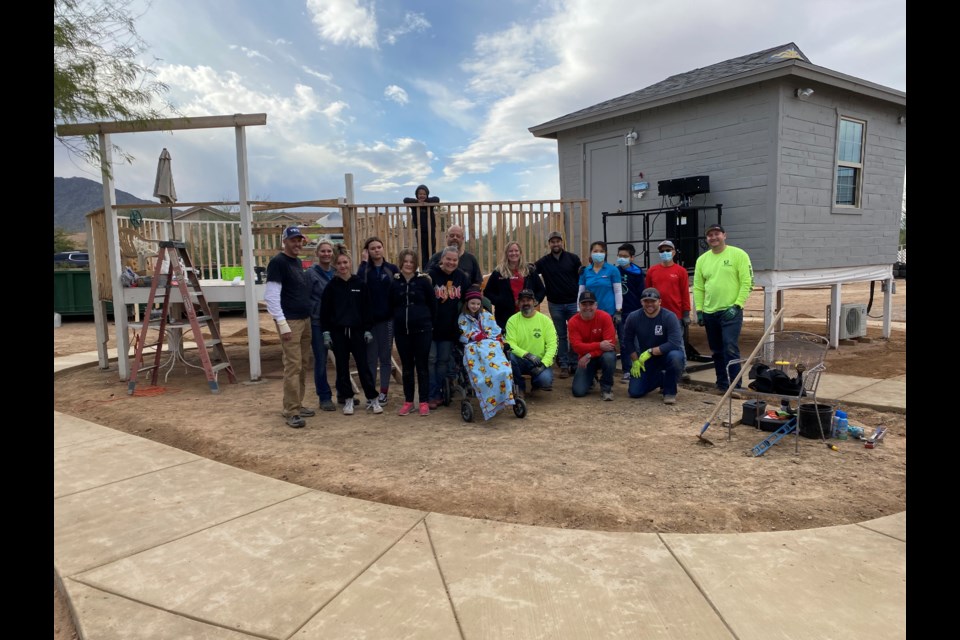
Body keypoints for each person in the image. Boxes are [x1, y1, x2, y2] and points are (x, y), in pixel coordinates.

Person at [320, 246, 383, 416]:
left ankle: (372, 398)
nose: (342, 266)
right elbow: (324, 312)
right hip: (338, 333)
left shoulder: (359, 284)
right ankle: (347, 399)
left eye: (345, 262)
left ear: (350, 263)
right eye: (339, 263)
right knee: (342, 368)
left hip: (357, 332)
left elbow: (367, 309)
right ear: (335, 265)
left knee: (364, 366)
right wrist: (326, 332)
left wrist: (368, 329)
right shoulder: (331, 286)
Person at [693, 224, 754, 392]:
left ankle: (735, 386)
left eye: (716, 234)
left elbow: (747, 282)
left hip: (730, 312)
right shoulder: (702, 260)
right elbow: (698, 287)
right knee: (716, 350)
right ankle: (721, 384)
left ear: (724, 235)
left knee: (730, 346)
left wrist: (738, 305)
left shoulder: (738, 255)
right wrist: (699, 310)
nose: (713, 237)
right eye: (710, 235)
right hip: (710, 313)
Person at [265, 226, 314, 428]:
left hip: (304, 319)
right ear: (285, 241)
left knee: (302, 364)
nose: (297, 244)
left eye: (299, 240)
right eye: (293, 240)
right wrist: (282, 324)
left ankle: (297, 403)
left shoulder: (297, 262)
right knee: (293, 366)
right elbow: (271, 296)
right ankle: (291, 410)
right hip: (291, 322)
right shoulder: (278, 263)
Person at [389, 249, 436, 416]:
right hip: (402, 331)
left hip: (422, 330)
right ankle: (408, 401)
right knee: (407, 367)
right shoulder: (394, 283)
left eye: (411, 262)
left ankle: (423, 401)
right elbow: (391, 305)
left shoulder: (424, 282)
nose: (408, 264)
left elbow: (433, 305)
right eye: (405, 261)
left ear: (416, 264)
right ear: (401, 262)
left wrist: (430, 324)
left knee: (422, 367)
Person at [458, 286, 516, 420]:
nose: (475, 306)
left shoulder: (487, 315)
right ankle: (487, 389)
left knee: (503, 369)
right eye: (472, 303)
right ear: (467, 303)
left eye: (478, 303)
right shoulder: (463, 317)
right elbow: (462, 333)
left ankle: (502, 381)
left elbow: (496, 330)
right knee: (481, 367)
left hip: (490, 344)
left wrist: (492, 336)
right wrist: (473, 336)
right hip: (473, 346)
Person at [426, 245, 472, 408]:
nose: (451, 263)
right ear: (442, 259)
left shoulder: (461, 277)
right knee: (431, 360)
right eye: (448, 259)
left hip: (449, 327)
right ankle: (431, 394)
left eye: (454, 260)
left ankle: (441, 391)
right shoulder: (431, 275)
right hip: (430, 327)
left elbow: (470, 295)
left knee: (443, 361)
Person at [622, 288, 686, 404]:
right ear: (641, 302)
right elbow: (627, 340)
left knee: (676, 357)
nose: (649, 304)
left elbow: (674, 343)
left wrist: (651, 351)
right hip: (647, 360)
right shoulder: (633, 317)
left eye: (653, 301)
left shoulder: (669, 317)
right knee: (634, 392)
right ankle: (662, 378)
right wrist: (635, 360)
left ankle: (669, 392)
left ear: (660, 301)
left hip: (667, 357)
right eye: (646, 301)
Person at [356, 236, 399, 406]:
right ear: (367, 251)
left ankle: (384, 392)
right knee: (370, 358)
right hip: (369, 322)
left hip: (387, 320)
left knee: (385, 357)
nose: (376, 250)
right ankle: (371, 393)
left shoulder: (391, 268)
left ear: (383, 248)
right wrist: (364, 262)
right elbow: (359, 284)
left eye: (379, 247)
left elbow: (397, 290)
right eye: (372, 248)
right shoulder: (365, 269)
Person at [534, 230, 582, 379]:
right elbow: (532, 272)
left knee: (575, 333)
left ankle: (575, 362)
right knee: (560, 336)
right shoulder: (543, 262)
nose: (556, 244)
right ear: (549, 244)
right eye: (553, 241)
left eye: (558, 241)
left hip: (573, 302)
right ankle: (564, 364)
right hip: (555, 304)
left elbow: (581, 277)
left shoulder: (573, 259)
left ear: (562, 242)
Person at [645, 239, 692, 374]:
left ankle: (681, 368)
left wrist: (686, 313)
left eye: (667, 250)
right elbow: (647, 292)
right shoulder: (652, 271)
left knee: (677, 342)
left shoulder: (681, 271)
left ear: (673, 252)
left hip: (675, 314)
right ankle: (658, 367)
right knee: (656, 340)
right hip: (655, 314)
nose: (665, 253)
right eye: (662, 251)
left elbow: (684, 293)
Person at [504, 288, 558, 398]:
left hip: (539, 361)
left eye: (528, 300)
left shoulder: (545, 320)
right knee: (510, 355)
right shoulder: (512, 320)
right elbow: (510, 344)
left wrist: (544, 364)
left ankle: (536, 384)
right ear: (518, 303)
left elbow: (553, 345)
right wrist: (527, 355)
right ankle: (520, 387)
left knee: (545, 381)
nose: (526, 303)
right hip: (520, 360)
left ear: (534, 302)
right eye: (522, 301)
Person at [483, 241, 546, 332]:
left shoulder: (529, 271)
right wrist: (499, 301)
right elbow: (488, 292)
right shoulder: (498, 272)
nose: (514, 253)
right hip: (505, 316)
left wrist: (535, 301)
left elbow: (541, 290)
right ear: (506, 254)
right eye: (510, 251)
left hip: (526, 313)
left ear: (520, 253)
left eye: (516, 251)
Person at [568, 290, 617, 401]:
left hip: (593, 356)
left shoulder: (605, 317)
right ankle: (591, 379)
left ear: (596, 305)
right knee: (578, 392)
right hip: (585, 359)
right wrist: (599, 345)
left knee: (609, 356)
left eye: (591, 304)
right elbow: (577, 347)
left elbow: (610, 344)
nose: (588, 307)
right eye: (584, 304)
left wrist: (589, 354)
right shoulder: (573, 322)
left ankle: (606, 388)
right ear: (579, 305)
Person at [306, 239, 337, 412]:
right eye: (323, 251)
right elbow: (307, 296)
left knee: (341, 358)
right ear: (317, 253)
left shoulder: (335, 272)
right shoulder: (310, 274)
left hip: (335, 322)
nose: (326, 254)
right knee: (321, 360)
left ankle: (342, 392)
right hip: (317, 322)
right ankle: (324, 396)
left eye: (329, 251)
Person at [615, 243, 645, 382]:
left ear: (632, 258)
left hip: (635, 312)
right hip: (621, 312)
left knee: (636, 342)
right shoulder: (615, 272)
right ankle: (627, 370)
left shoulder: (638, 274)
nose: (622, 259)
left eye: (625, 256)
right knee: (624, 341)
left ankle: (637, 367)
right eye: (620, 256)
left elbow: (641, 294)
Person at [578, 240, 622, 323]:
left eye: (601, 251)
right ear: (591, 253)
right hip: (590, 311)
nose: (598, 253)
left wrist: (618, 310)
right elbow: (581, 292)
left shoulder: (613, 270)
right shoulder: (585, 271)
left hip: (608, 311)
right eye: (595, 251)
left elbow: (618, 291)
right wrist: (578, 309)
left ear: (606, 253)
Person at [403, 184, 440, 268]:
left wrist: (426, 202)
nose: (422, 196)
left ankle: (432, 267)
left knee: (431, 250)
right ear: (417, 195)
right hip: (420, 231)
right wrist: (417, 202)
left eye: (424, 194)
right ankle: (424, 269)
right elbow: (405, 200)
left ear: (427, 195)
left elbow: (437, 199)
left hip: (431, 231)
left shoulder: (430, 204)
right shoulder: (414, 205)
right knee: (422, 251)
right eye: (420, 194)